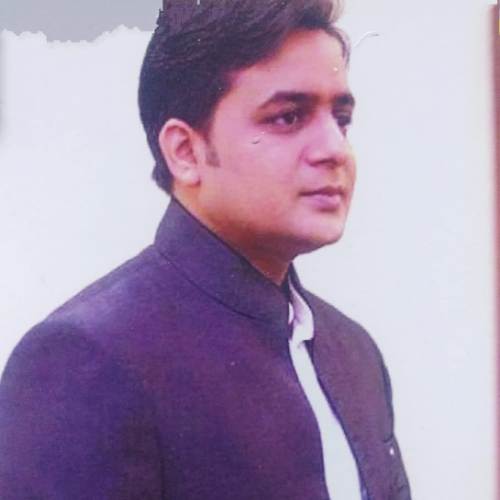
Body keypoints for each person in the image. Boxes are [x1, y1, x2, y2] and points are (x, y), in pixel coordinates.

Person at [0, 0, 411, 498]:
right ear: (185, 151)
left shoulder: (352, 350)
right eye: (287, 117)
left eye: (341, 119)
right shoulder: (87, 357)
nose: (334, 150)